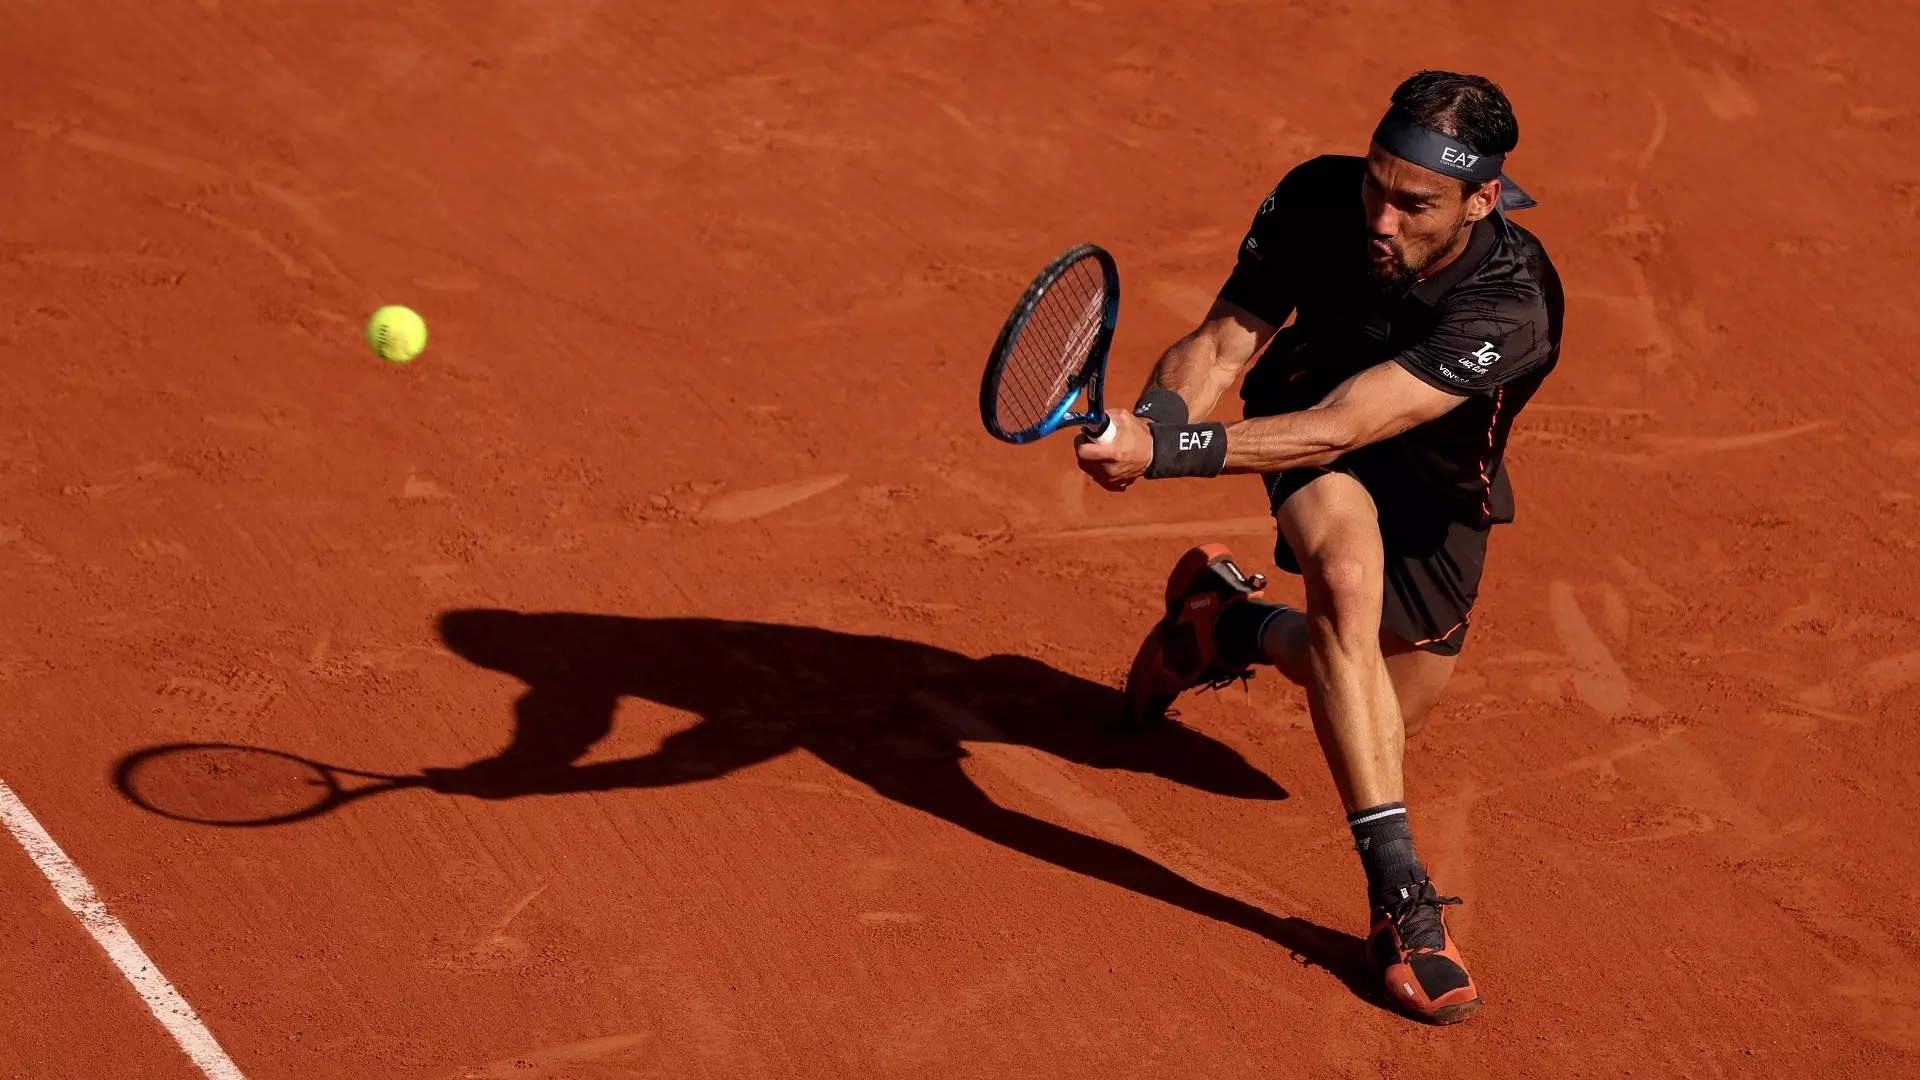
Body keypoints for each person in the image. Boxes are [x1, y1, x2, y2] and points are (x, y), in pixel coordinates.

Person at [1075, 70, 1563, 1025]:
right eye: (1377, 183)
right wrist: (1156, 418)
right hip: (1303, 426)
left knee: (1376, 696)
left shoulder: (1513, 300)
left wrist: (1167, 455)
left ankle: (1229, 626)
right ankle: (1403, 906)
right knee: (1345, 577)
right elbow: (1224, 344)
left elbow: (1352, 424)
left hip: (1424, 481)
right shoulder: (1316, 198)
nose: (1381, 216)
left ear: (1482, 200)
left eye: (1415, 203)